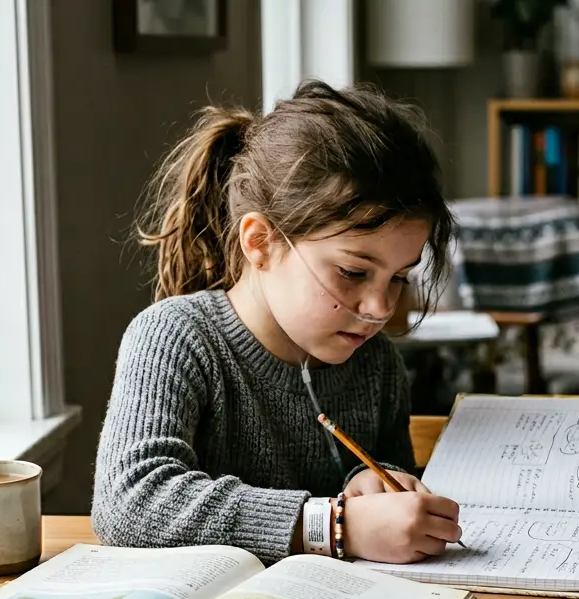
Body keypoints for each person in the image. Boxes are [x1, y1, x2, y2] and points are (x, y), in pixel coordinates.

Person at [90, 80, 462, 567]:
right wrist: (331, 525)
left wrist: (376, 484)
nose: (379, 308)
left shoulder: (375, 361)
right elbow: (129, 504)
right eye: (353, 272)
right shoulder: (177, 338)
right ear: (261, 242)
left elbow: (380, 466)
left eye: (399, 277)